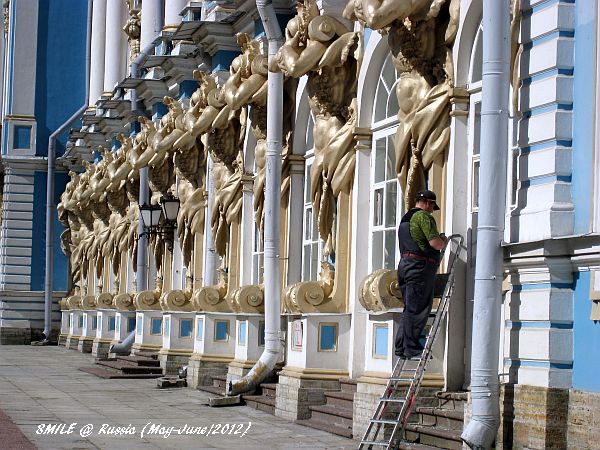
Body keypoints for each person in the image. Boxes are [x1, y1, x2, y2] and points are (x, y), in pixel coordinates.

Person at [395, 189, 448, 359]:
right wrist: (443, 240)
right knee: (418, 308)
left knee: (409, 308)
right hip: (419, 267)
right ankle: (412, 348)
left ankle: (401, 347)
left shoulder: (406, 218)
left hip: (405, 266)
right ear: (426, 203)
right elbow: (435, 243)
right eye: (432, 206)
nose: (432, 210)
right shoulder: (423, 217)